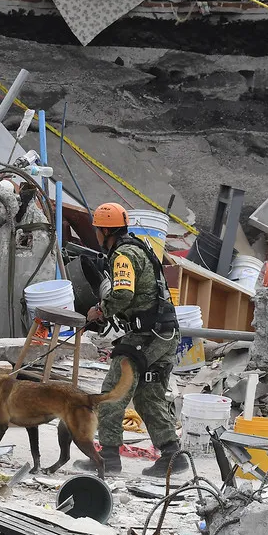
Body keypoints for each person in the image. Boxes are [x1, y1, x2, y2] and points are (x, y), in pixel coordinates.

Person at [74, 202, 189, 477]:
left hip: (147, 336)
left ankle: (109, 457)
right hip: (165, 334)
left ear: (104, 230)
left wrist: (100, 310)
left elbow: (124, 294)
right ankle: (173, 456)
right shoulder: (140, 247)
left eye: (98, 232)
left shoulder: (123, 256)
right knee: (149, 396)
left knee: (114, 390)